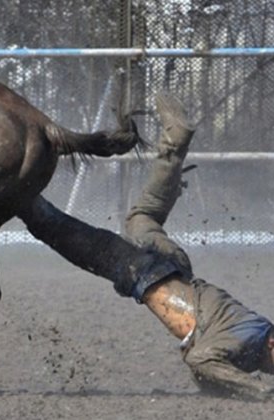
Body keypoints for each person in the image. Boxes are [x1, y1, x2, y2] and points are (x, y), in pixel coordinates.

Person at [17, 94, 274, 400]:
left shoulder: (253, 334)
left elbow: (207, 376)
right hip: (147, 273)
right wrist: (263, 392)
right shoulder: (248, 337)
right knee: (54, 229)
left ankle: (174, 149)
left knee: (142, 217)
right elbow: (199, 359)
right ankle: (18, 193)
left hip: (175, 271)